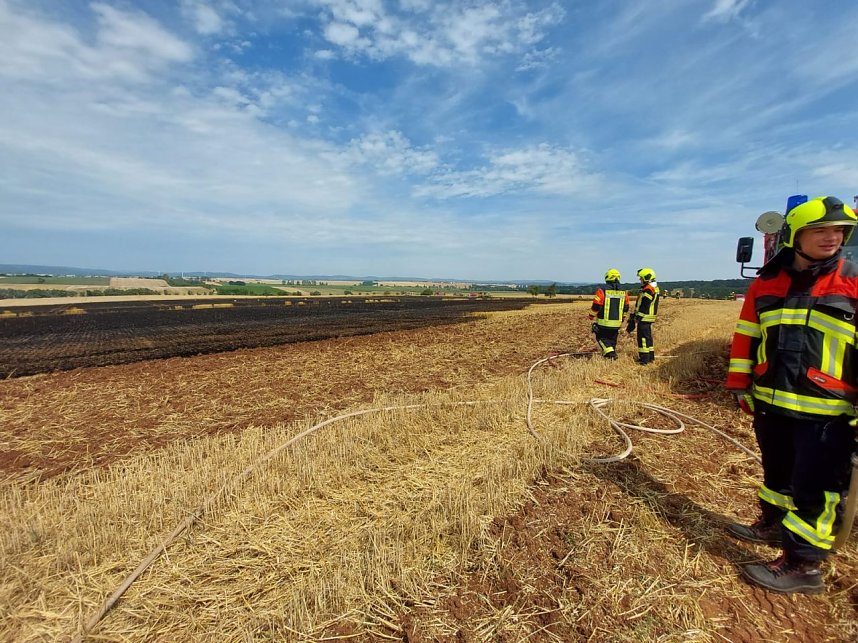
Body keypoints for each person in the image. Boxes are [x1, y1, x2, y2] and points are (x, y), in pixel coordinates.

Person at [725, 195, 858, 594]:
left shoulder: (853, 282)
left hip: (829, 411)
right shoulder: (766, 284)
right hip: (772, 403)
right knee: (778, 475)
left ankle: (802, 565)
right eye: (820, 230)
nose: (832, 237)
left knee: (816, 488)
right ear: (795, 237)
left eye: (839, 231)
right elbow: (746, 336)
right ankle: (771, 525)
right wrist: (739, 384)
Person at [589, 268, 630, 359]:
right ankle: (610, 356)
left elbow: (596, 305)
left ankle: (611, 353)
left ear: (607, 277)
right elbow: (626, 306)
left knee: (600, 337)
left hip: (604, 322)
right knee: (612, 339)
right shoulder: (624, 292)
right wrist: (623, 317)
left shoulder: (602, 290)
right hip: (617, 322)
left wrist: (591, 315)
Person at [626, 268, 659, 364]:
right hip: (648, 317)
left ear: (647, 278)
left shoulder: (648, 289)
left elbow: (645, 305)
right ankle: (650, 356)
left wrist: (638, 317)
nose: (640, 280)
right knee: (648, 337)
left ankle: (644, 359)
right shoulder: (653, 288)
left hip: (644, 317)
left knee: (643, 338)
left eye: (641, 278)